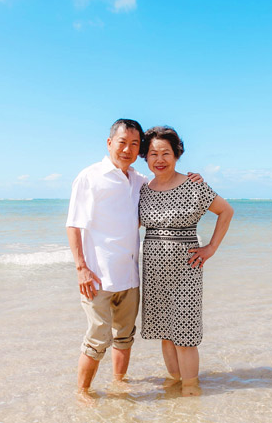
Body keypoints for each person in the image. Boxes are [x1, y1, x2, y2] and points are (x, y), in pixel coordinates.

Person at [66, 119, 202, 393]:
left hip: (130, 275)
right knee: (96, 339)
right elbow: (73, 224)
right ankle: (83, 393)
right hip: (97, 276)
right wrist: (80, 267)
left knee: (124, 337)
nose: (127, 149)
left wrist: (192, 180)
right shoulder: (89, 177)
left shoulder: (138, 180)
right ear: (109, 143)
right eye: (122, 143)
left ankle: (119, 383)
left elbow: (165, 185)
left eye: (134, 144)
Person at [138, 126, 234, 396]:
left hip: (186, 271)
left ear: (177, 154)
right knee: (165, 332)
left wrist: (211, 247)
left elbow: (226, 211)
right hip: (154, 272)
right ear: (145, 157)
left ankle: (191, 388)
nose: (160, 159)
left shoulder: (194, 185)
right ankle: (174, 381)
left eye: (165, 153)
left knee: (185, 333)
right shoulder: (143, 189)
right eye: (153, 153)